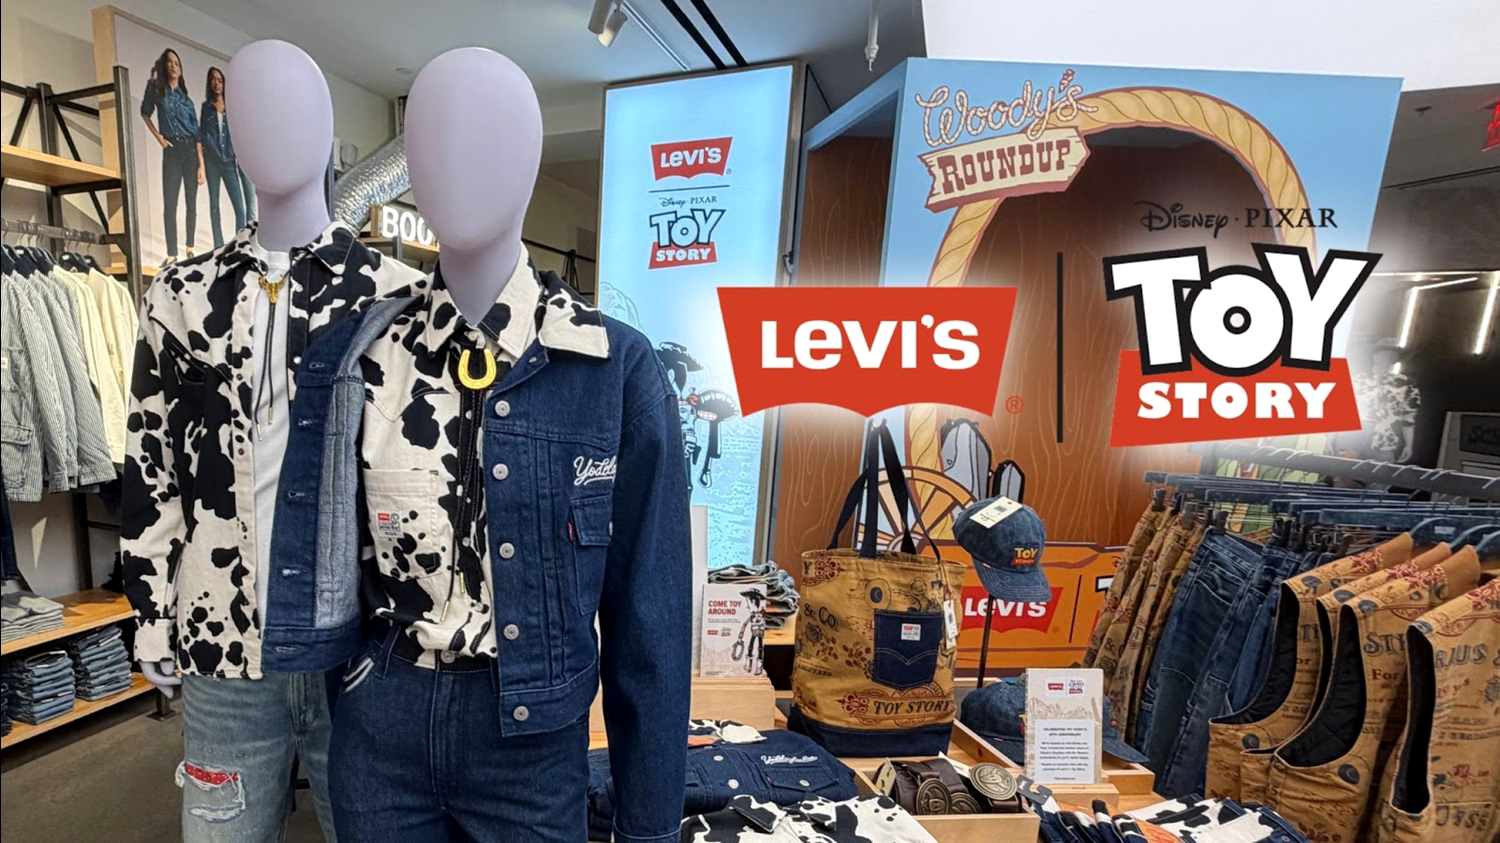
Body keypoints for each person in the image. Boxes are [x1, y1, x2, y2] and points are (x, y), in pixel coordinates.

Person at [139, 48, 201, 266]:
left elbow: (197, 133)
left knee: (191, 201)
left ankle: (190, 246)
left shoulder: (186, 100)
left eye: (177, 63)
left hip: (191, 150)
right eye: (170, 62)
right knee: (170, 202)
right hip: (172, 150)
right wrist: (159, 137)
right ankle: (172, 253)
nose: (174, 66)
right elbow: (145, 112)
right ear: (164, 66)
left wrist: (202, 166)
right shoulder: (156, 90)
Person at [196, 66, 256, 246]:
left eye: (219, 80)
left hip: (229, 162)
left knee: (240, 207)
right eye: (213, 80)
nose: (216, 83)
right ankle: (218, 244)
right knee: (215, 206)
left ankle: (239, 242)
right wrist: (203, 164)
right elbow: (202, 135)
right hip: (212, 163)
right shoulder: (206, 108)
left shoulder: (232, 108)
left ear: (224, 84)